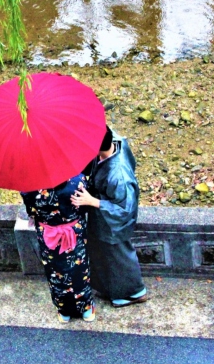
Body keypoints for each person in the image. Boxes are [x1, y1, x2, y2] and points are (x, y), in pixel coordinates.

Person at [71, 126, 148, 308]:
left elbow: (124, 210)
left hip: (114, 223)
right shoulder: (116, 141)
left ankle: (134, 292)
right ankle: (112, 289)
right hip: (104, 217)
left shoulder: (118, 176)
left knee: (119, 258)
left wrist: (93, 201)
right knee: (107, 257)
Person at [21, 172, 96, 323]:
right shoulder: (77, 180)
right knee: (79, 269)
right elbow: (84, 207)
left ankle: (64, 312)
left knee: (55, 272)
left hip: (48, 235)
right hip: (74, 232)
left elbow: (31, 211)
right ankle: (86, 309)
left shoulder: (28, 186)